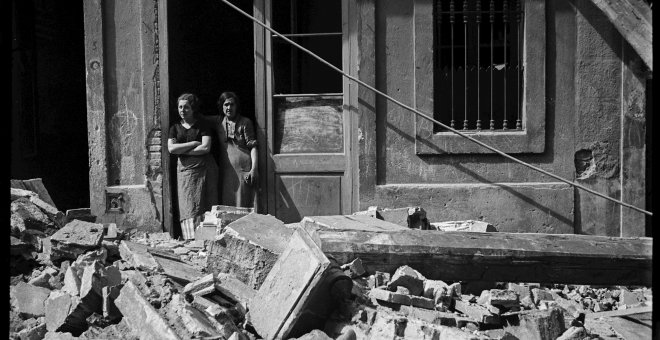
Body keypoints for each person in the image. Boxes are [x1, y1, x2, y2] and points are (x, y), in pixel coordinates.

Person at [168, 93, 219, 239]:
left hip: (205, 171)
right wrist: (193, 144)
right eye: (180, 107)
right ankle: (192, 240)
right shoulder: (175, 128)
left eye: (186, 107)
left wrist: (182, 149)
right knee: (189, 205)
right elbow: (171, 149)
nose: (182, 110)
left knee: (206, 203)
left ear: (193, 109)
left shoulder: (202, 125)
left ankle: (207, 239)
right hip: (185, 173)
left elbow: (205, 148)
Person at [214, 91, 258, 208]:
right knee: (227, 204)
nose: (229, 107)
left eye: (232, 104)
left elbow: (252, 147)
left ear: (237, 106)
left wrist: (254, 169)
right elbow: (199, 119)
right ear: (221, 106)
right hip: (227, 171)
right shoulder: (218, 122)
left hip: (243, 169)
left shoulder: (245, 122)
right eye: (226, 104)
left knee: (243, 204)